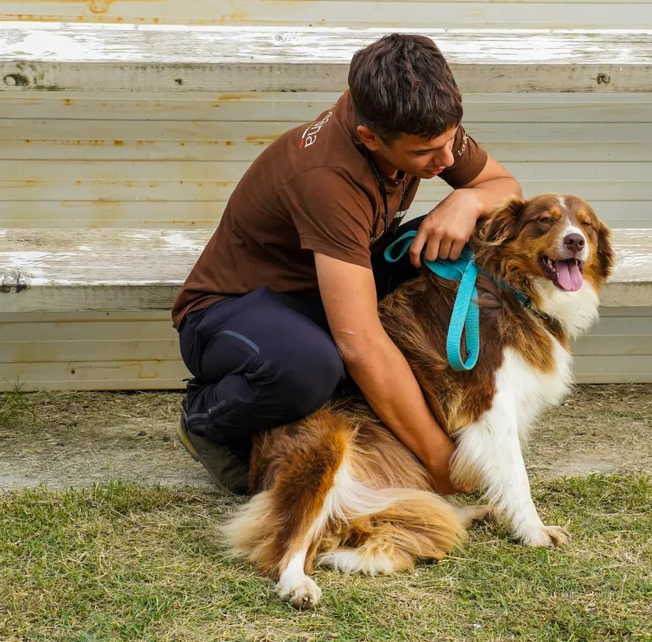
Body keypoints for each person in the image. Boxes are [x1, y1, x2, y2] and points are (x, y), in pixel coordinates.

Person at [171, 33, 522, 496]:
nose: (445, 159)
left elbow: (505, 187)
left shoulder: (417, 120)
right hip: (233, 310)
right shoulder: (326, 178)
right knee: (309, 367)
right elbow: (360, 344)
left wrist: (469, 199)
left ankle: (451, 406)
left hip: (329, 286)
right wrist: (443, 465)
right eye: (423, 153)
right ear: (369, 137)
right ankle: (204, 420)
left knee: (480, 235)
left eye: (451, 140)